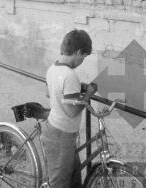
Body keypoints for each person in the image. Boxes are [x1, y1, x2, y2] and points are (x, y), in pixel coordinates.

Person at [41, 29, 98, 188]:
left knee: (73, 179)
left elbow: (48, 93)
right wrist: (89, 94)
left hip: (55, 129)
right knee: (60, 184)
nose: (82, 61)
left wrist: (75, 91)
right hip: (62, 135)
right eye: (84, 57)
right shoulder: (70, 75)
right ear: (78, 52)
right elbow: (72, 111)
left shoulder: (53, 68)